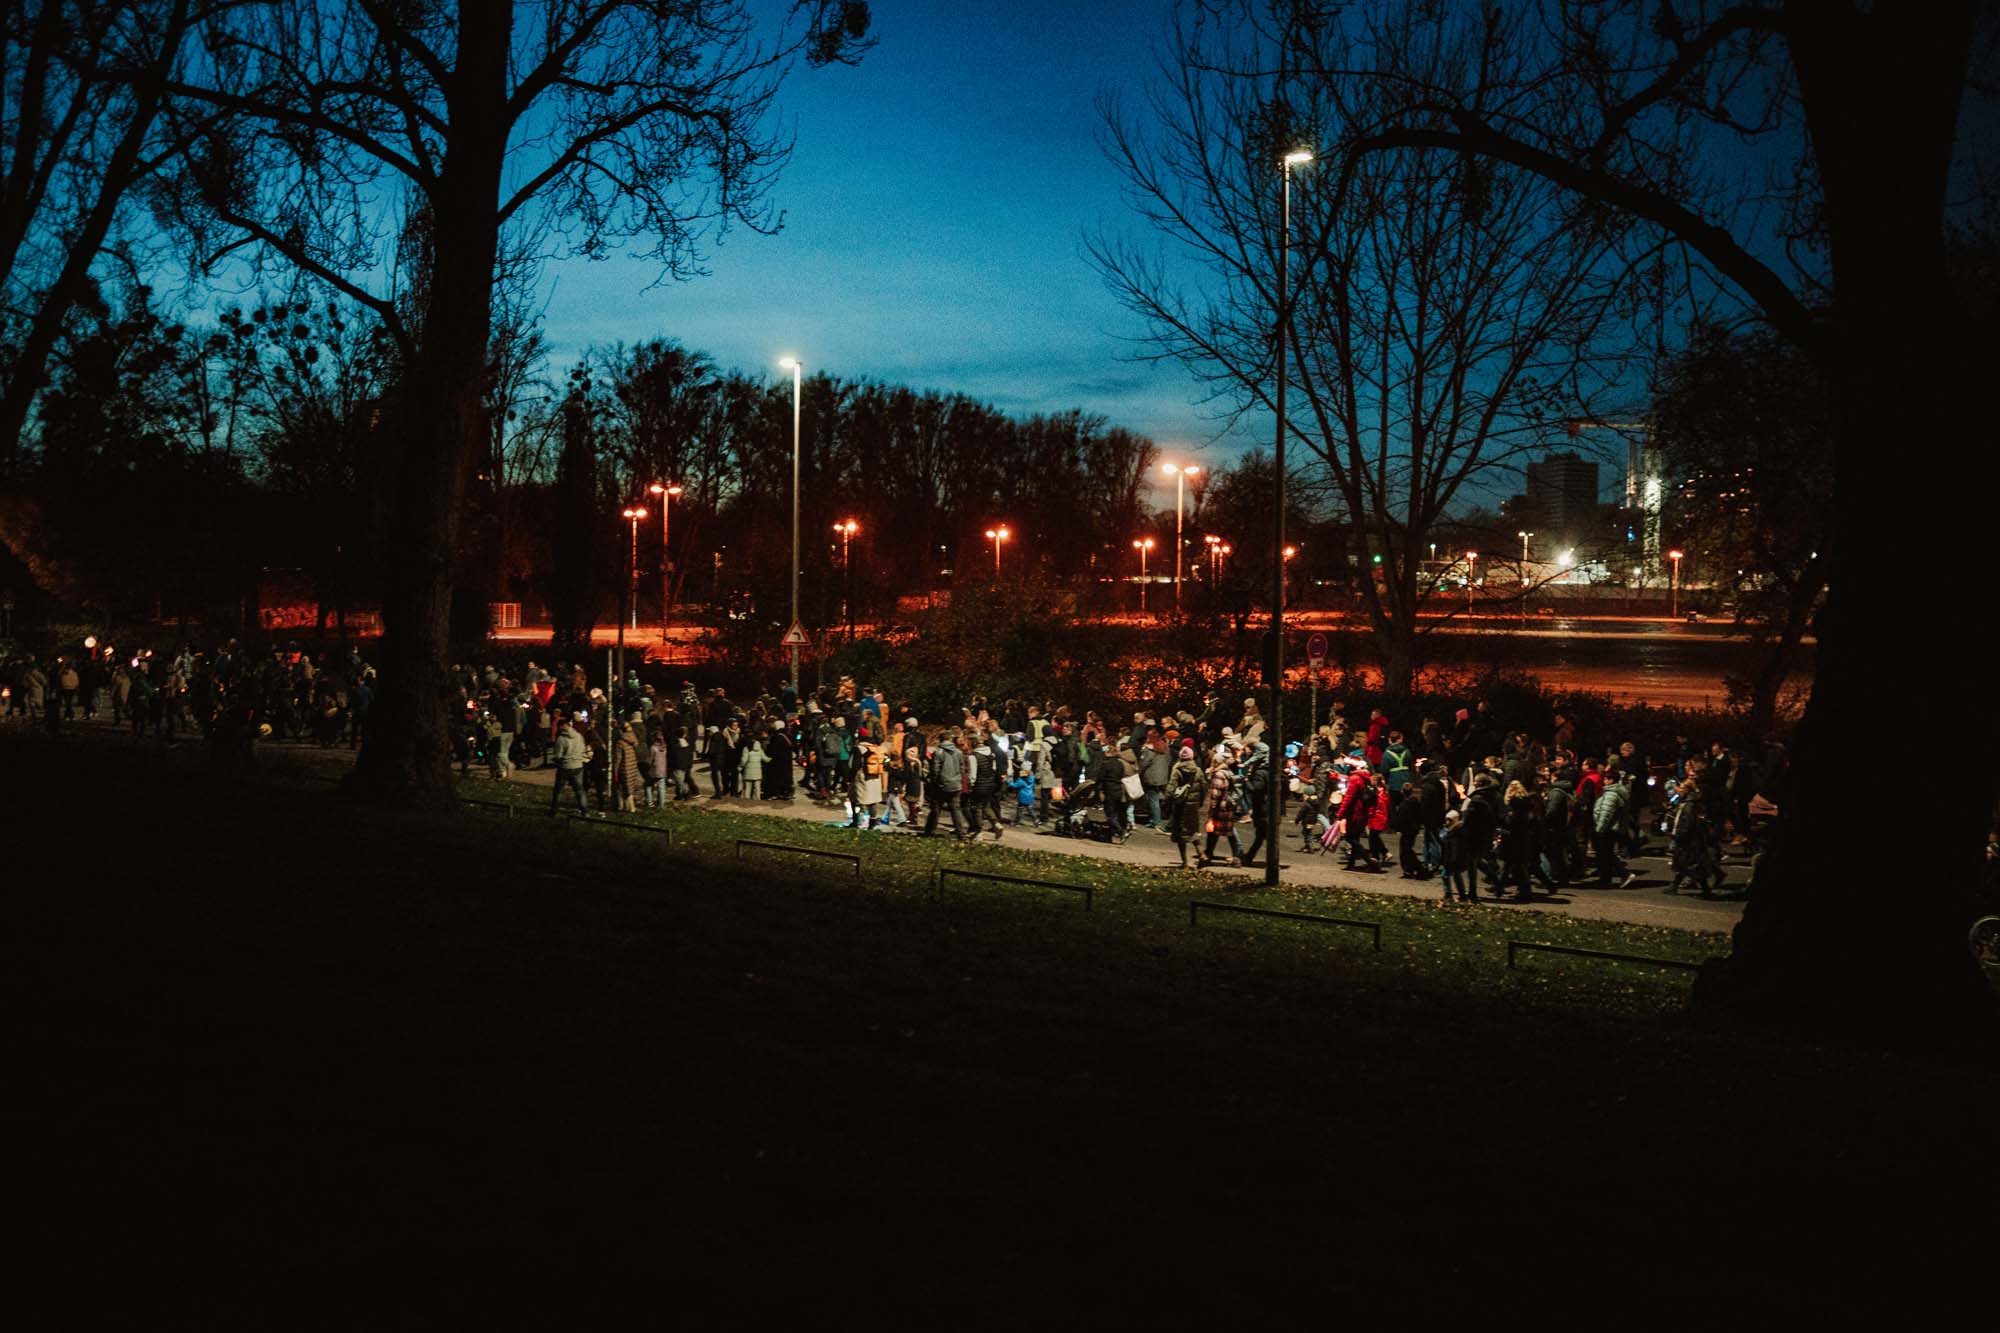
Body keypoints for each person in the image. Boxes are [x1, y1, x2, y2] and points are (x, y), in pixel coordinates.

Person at [1592, 772, 1639, 888]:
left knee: (1605, 854)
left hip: (1608, 828)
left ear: (1611, 780)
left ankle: (1624, 874)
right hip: (1613, 828)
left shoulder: (1611, 794)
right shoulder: (1617, 792)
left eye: (1606, 779)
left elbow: (1606, 813)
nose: (1604, 781)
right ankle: (1605, 879)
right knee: (1606, 854)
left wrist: (1599, 829)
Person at [1167, 745, 1205, 868]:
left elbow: (1171, 788)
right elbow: (1204, 787)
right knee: (1193, 831)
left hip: (1180, 806)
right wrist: (1200, 802)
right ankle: (1201, 854)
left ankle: (1185, 862)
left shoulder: (1177, 770)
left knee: (1181, 835)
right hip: (1193, 806)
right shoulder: (1198, 770)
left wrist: (1168, 800)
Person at [550, 715, 589, 815]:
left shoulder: (561, 739)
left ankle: (554, 811)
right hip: (578, 766)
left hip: (565, 766)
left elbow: (558, 755)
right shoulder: (579, 736)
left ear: (562, 726)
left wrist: (556, 759)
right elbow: (583, 748)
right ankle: (585, 811)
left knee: (558, 790)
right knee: (580, 791)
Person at [1440, 808, 1473, 902]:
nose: (1446, 822)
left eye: (1448, 820)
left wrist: (1452, 859)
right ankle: (1460, 894)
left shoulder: (1455, 833)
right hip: (1452, 858)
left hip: (1453, 859)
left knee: (1448, 875)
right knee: (1455, 876)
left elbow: (1454, 848)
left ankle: (1449, 894)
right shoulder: (1453, 831)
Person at [741, 729, 768, 802]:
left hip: (748, 772)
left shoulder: (746, 749)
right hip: (758, 773)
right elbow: (765, 758)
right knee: (757, 787)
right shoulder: (759, 749)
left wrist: (740, 767)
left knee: (748, 786)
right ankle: (757, 798)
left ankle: (747, 798)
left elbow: (744, 760)